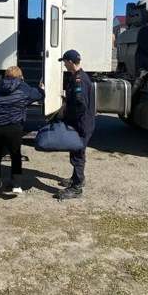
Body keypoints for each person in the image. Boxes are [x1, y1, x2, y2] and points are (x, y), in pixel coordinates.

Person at [0, 66, 44, 194]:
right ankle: (16, 185)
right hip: (14, 127)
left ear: (6, 76)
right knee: (15, 155)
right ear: (20, 76)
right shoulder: (23, 88)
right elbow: (38, 95)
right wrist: (41, 88)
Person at [56, 50, 96, 200]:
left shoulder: (79, 80)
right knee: (77, 151)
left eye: (65, 62)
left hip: (81, 124)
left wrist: (67, 116)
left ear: (71, 62)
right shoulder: (80, 77)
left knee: (78, 155)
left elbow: (80, 105)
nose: (64, 65)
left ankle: (77, 188)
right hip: (83, 123)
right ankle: (76, 178)